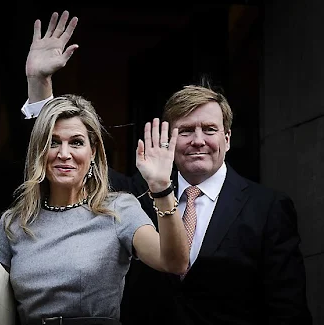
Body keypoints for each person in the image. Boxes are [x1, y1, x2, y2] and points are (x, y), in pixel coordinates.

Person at [19, 10, 312, 325]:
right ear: (169, 139)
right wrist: (40, 85)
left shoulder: (267, 208)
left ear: (227, 138)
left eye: (209, 130)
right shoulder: (134, 194)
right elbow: (68, 162)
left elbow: (288, 310)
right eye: (186, 131)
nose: (198, 140)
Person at [0, 92, 190, 325]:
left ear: (93, 152)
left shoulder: (119, 209)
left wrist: (161, 188)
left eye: (76, 142)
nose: (64, 154)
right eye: (53, 142)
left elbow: (174, 263)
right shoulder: (14, 223)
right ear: (40, 150)